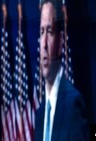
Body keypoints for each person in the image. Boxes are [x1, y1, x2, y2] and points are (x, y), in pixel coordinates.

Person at [35, 0, 89, 141]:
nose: (44, 44)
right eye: (41, 32)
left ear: (60, 42)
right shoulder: (40, 114)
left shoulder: (73, 104)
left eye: (50, 31)